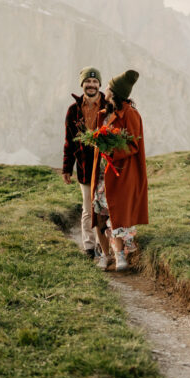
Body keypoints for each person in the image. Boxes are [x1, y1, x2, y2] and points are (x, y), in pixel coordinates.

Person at [95, 69, 148, 272]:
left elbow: (133, 144)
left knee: (115, 213)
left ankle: (119, 257)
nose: (105, 89)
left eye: (108, 87)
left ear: (115, 92)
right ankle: (107, 255)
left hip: (120, 172)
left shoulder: (131, 115)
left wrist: (111, 150)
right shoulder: (104, 114)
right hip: (102, 172)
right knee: (102, 213)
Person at [62, 66, 105, 258]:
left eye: (95, 82)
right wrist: (66, 168)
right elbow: (69, 141)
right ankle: (89, 246)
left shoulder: (108, 105)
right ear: (82, 84)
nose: (91, 85)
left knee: (105, 208)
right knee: (88, 208)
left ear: (99, 85)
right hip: (85, 167)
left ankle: (106, 247)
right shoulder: (73, 111)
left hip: (106, 167)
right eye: (88, 81)